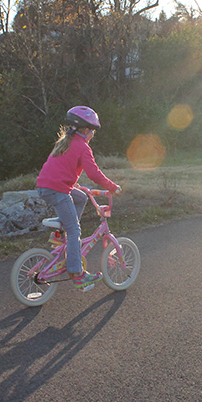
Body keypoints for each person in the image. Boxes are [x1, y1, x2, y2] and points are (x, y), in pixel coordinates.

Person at [36, 106, 121, 292]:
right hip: (57, 190)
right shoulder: (83, 147)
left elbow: (59, 169)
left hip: (46, 187)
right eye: (92, 130)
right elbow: (95, 174)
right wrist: (112, 187)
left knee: (81, 197)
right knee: (74, 230)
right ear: (85, 130)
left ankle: (61, 230)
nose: (92, 133)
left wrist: (72, 186)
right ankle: (77, 273)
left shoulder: (64, 142)